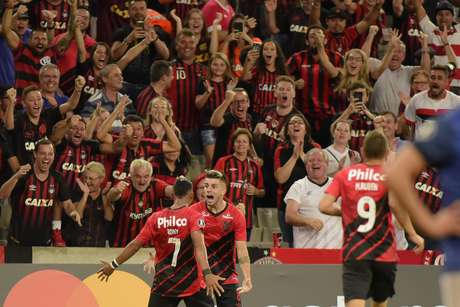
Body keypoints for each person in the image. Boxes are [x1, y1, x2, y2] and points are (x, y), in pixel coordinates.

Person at [319, 130, 424, 307]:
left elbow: (323, 205)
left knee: (355, 299)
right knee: (380, 301)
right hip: (384, 252)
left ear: (363, 151)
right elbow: (396, 204)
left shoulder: (345, 175)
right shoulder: (391, 176)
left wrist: (343, 211)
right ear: (386, 152)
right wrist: (412, 234)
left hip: (356, 250)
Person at [98, 176, 224, 307]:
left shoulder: (156, 218)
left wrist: (113, 265)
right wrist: (207, 273)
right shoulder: (195, 217)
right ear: (191, 195)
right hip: (192, 283)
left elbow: (135, 245)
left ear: (173, 194)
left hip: (165, 283)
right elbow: (199, 248)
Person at [0, 139, 81, 246]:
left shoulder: (57, 179)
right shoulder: (24, 175)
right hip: (18, 242)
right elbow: (2, 195)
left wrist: (73, 212)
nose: (47, 157)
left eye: (50, 154)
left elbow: (67, 204)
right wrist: (16, 176)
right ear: (35, 154)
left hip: (44, 243)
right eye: (43, 153)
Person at [190, 170, 252, 307]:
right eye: (206, 186)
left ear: (223, 190)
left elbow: (242, 251)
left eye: (213, 186)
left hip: (226, 276)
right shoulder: (193, 211)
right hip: (200, 277)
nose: (208, 190)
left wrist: (247, 277)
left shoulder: (236, 215)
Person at [274, 113, 319, 246]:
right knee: (289, 245)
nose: (296, 125)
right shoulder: (280, 150)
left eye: (300, 122)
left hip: (311, 205)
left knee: (311, 245)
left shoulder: (315, 148)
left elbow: (317, 173)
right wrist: (294, 157)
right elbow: (281, 178)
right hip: (286, 207)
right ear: (287, 130)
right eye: (292, 123)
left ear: (306, 129)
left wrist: (301, 155)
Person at [107, 159, 173, 247]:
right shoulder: (126, 185)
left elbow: (170, 191)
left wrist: (179, 186)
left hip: (147, 245)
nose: (142, 181)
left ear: (151, 176)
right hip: (121, 245)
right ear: (131, 176)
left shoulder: (155, 185)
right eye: (138, 176)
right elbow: (111, 196)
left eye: (146, 177)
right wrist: (116, 191)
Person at [285, 148, 342, 249]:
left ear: (327, 164)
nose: (315, 163)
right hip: (306, 251)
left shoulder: (337, 184)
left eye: (319, 160)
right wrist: (308, 221)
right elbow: (289, 216)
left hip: (335, 250)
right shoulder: (298, 186)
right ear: (306, 165)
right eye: (311, 161)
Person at [214, 128, 265, 238]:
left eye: (244, 141)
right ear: (233, 144)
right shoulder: (223, 162)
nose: (241, 144)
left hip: (246, 219)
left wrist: (256, 191)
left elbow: (262, 192)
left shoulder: (255, 166)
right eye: (238, 141)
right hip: (224, 215)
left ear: (249, 146)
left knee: (242, 251)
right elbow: (213, 186)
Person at [404, 65, 460, 140]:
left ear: (447, 82)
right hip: (422, 150)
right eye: (433, 78)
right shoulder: (416, 99)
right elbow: (410, 128)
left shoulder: (457, 102)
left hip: (447, 150)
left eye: (439, 78)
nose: (435, 81)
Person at [64, 161, 112, 247]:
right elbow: (77, 217)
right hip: (75, 247)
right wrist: (85, 195)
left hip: (98, 247)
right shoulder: (76, 193)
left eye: (91, 179)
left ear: (101, 179)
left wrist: (104, 196)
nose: (87, 181)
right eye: (85, 178)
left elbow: (109, 218)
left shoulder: (106, 195)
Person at [210, 88, 253, 167]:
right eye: (235, 102)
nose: (240, 105)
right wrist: (226, 101)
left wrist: (255, 157)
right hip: (223, 167)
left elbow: (250, 144)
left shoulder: (249, 119)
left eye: (243, 101)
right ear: (230, 105)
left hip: (242, 167)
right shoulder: (228, 118)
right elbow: (214, 122)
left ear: (248, 103)